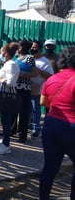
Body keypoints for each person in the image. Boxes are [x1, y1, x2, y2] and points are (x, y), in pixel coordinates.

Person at [39, 47, 75, 199]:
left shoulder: (52, 79)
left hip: (51, 125)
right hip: (71, 128)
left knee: (49, 168)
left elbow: (43, 102)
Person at [0, 43, 20, 155]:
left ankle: (6, 144)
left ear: (6, 53)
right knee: (4, 119)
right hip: (2, 94)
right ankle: (4, 140)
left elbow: (11, 83)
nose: (0, 54)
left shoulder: (12, 65)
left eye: (2, 52)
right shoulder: (7, 64)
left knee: (6, 120)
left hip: (6, 95)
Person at [12, 40, 38, 143]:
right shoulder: (16, 58)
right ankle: (12, 130)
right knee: (13, 110)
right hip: (14, 87)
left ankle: (22, 134)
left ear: (22, 47)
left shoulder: (29, 58)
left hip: (24, 88)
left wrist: (21, 74)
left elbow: (35, 73)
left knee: (23, 112)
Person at [29, 40, 53, 138]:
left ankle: (36, 128)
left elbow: (50, 75)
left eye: (35, 48)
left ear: (40, 49)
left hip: (38, 87)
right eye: (31, 47)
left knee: (36, 108)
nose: (32, 49)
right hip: (27, 86)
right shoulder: (29, 58)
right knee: (28, 108)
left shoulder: (45, 61)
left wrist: (36, 70)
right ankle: (27, 124)